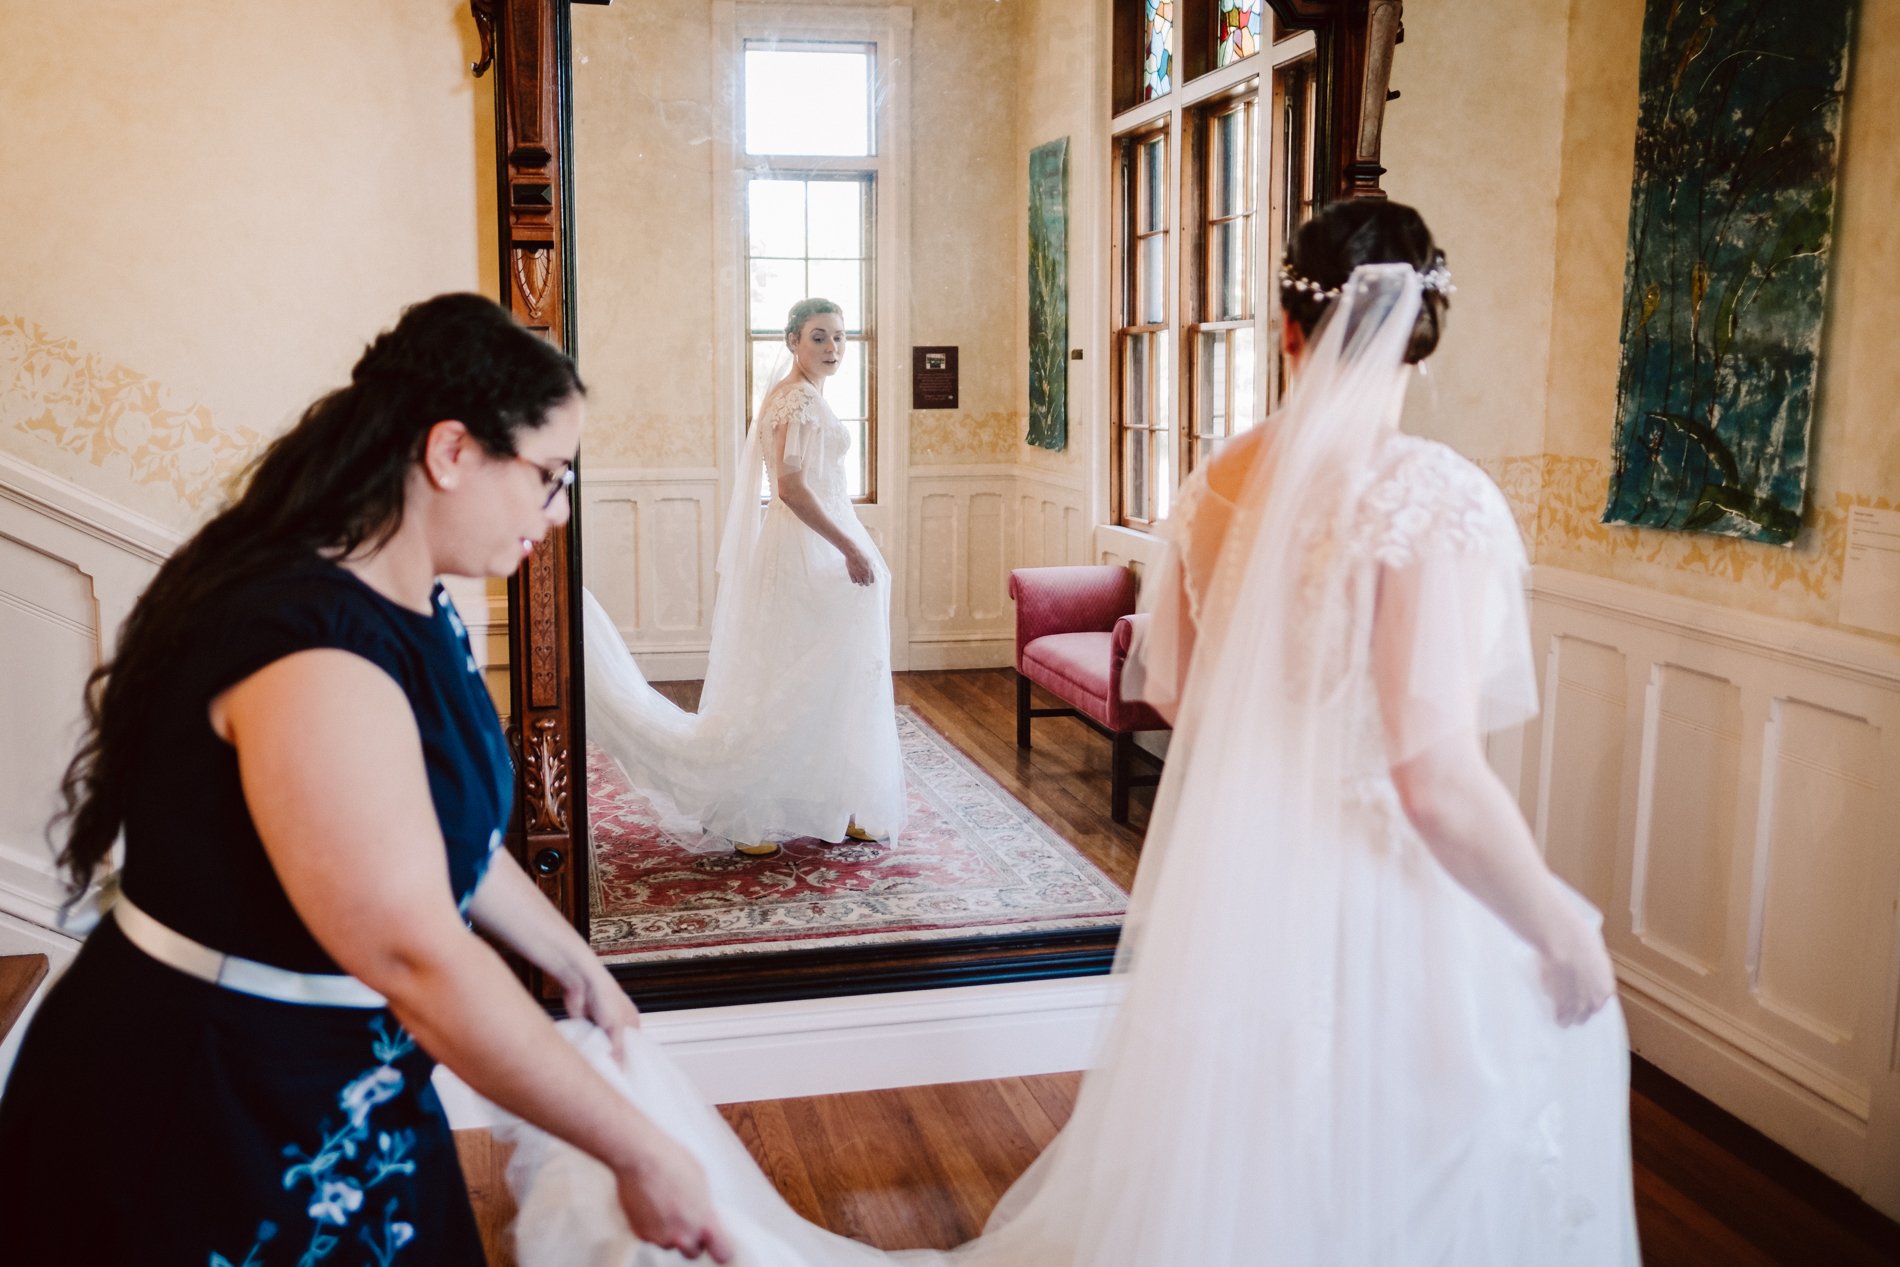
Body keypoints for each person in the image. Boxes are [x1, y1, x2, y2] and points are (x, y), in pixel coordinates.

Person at [497, 202, 1641, 1265]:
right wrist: (1553, 923)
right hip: (1382, 889)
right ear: (1423, 331)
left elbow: (1183, 694)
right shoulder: (1428, 496)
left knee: (1241, 1144)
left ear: (1287, 327)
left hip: (1247, 871)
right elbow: (1432, 775)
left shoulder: (1223, 477)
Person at [0, 295, 733, 1264]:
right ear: (451, 452)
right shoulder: (310, 648)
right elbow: (416, 953)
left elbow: (439, 839)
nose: (557, 514)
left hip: (349, 1076)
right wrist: (638, 1149)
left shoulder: (419, 604)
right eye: (550, 477)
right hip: (209, 1097)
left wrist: (573, 959)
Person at [582, 297, 906, 857]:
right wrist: (852, 546)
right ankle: (748, 812)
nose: (832, 348)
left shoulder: (796, 396)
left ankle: (839, 802)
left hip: (806, 548)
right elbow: (791, 486)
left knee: (830, 675)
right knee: (796, 677)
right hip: (808, 553)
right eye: (819, 337)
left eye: (839, 337)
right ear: (793, 342)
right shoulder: (798, 400)